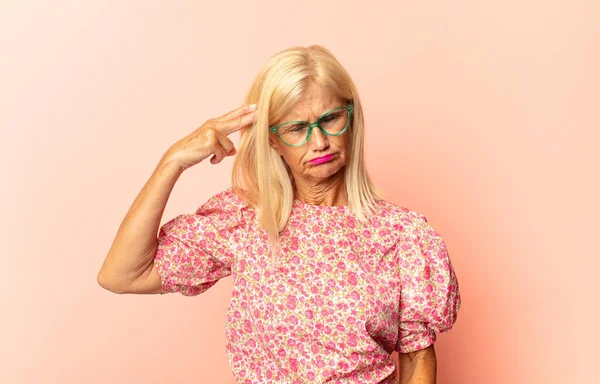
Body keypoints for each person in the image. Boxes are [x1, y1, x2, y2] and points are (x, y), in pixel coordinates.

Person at [97, 45, 461, 384]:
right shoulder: (244, 220)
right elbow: (123, 275)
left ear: (352, 117)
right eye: (296, 129)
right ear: (272, 138)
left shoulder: (402, 234)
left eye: (330, 119)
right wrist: (171, 162)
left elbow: (416, 358)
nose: (318, 142)